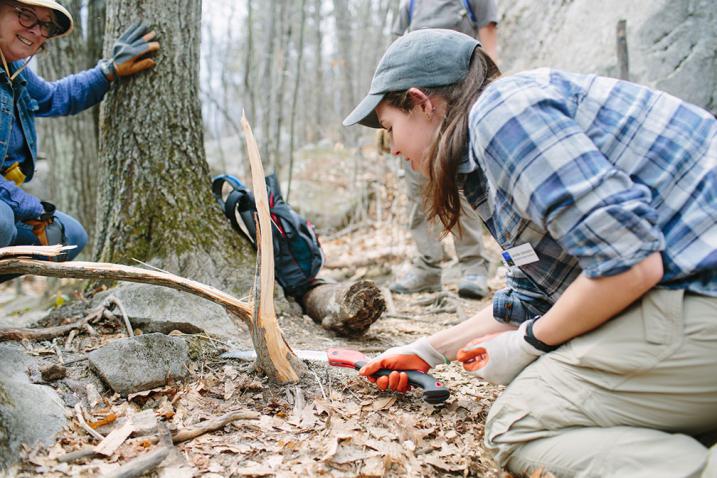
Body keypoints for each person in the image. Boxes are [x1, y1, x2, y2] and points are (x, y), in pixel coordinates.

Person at [343, 29, 717, 477]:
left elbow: (629, 264)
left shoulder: (502, 114)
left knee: (518, 426)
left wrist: (528, 344)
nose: (393, 148)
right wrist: (428, 350)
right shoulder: (490, 149)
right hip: (693, 294)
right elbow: (532, 295)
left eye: (389, 129)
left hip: (701, 295)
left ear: (422, 102)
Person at [0, 0, 159, 276]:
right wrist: (33, 209)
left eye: (45, 25)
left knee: (68, 236)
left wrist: (108, 71)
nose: (36, 31)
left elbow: (53, 97)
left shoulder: (12, 70)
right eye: (26, 16)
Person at [387, 0, 498, 298]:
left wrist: (490, 86)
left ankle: (473, 267)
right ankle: (427, 267)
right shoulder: (409, 4)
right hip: (414, 109)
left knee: (462, 185)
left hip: (455, 106)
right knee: (416, 189)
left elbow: (487, 32)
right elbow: (397, 49)